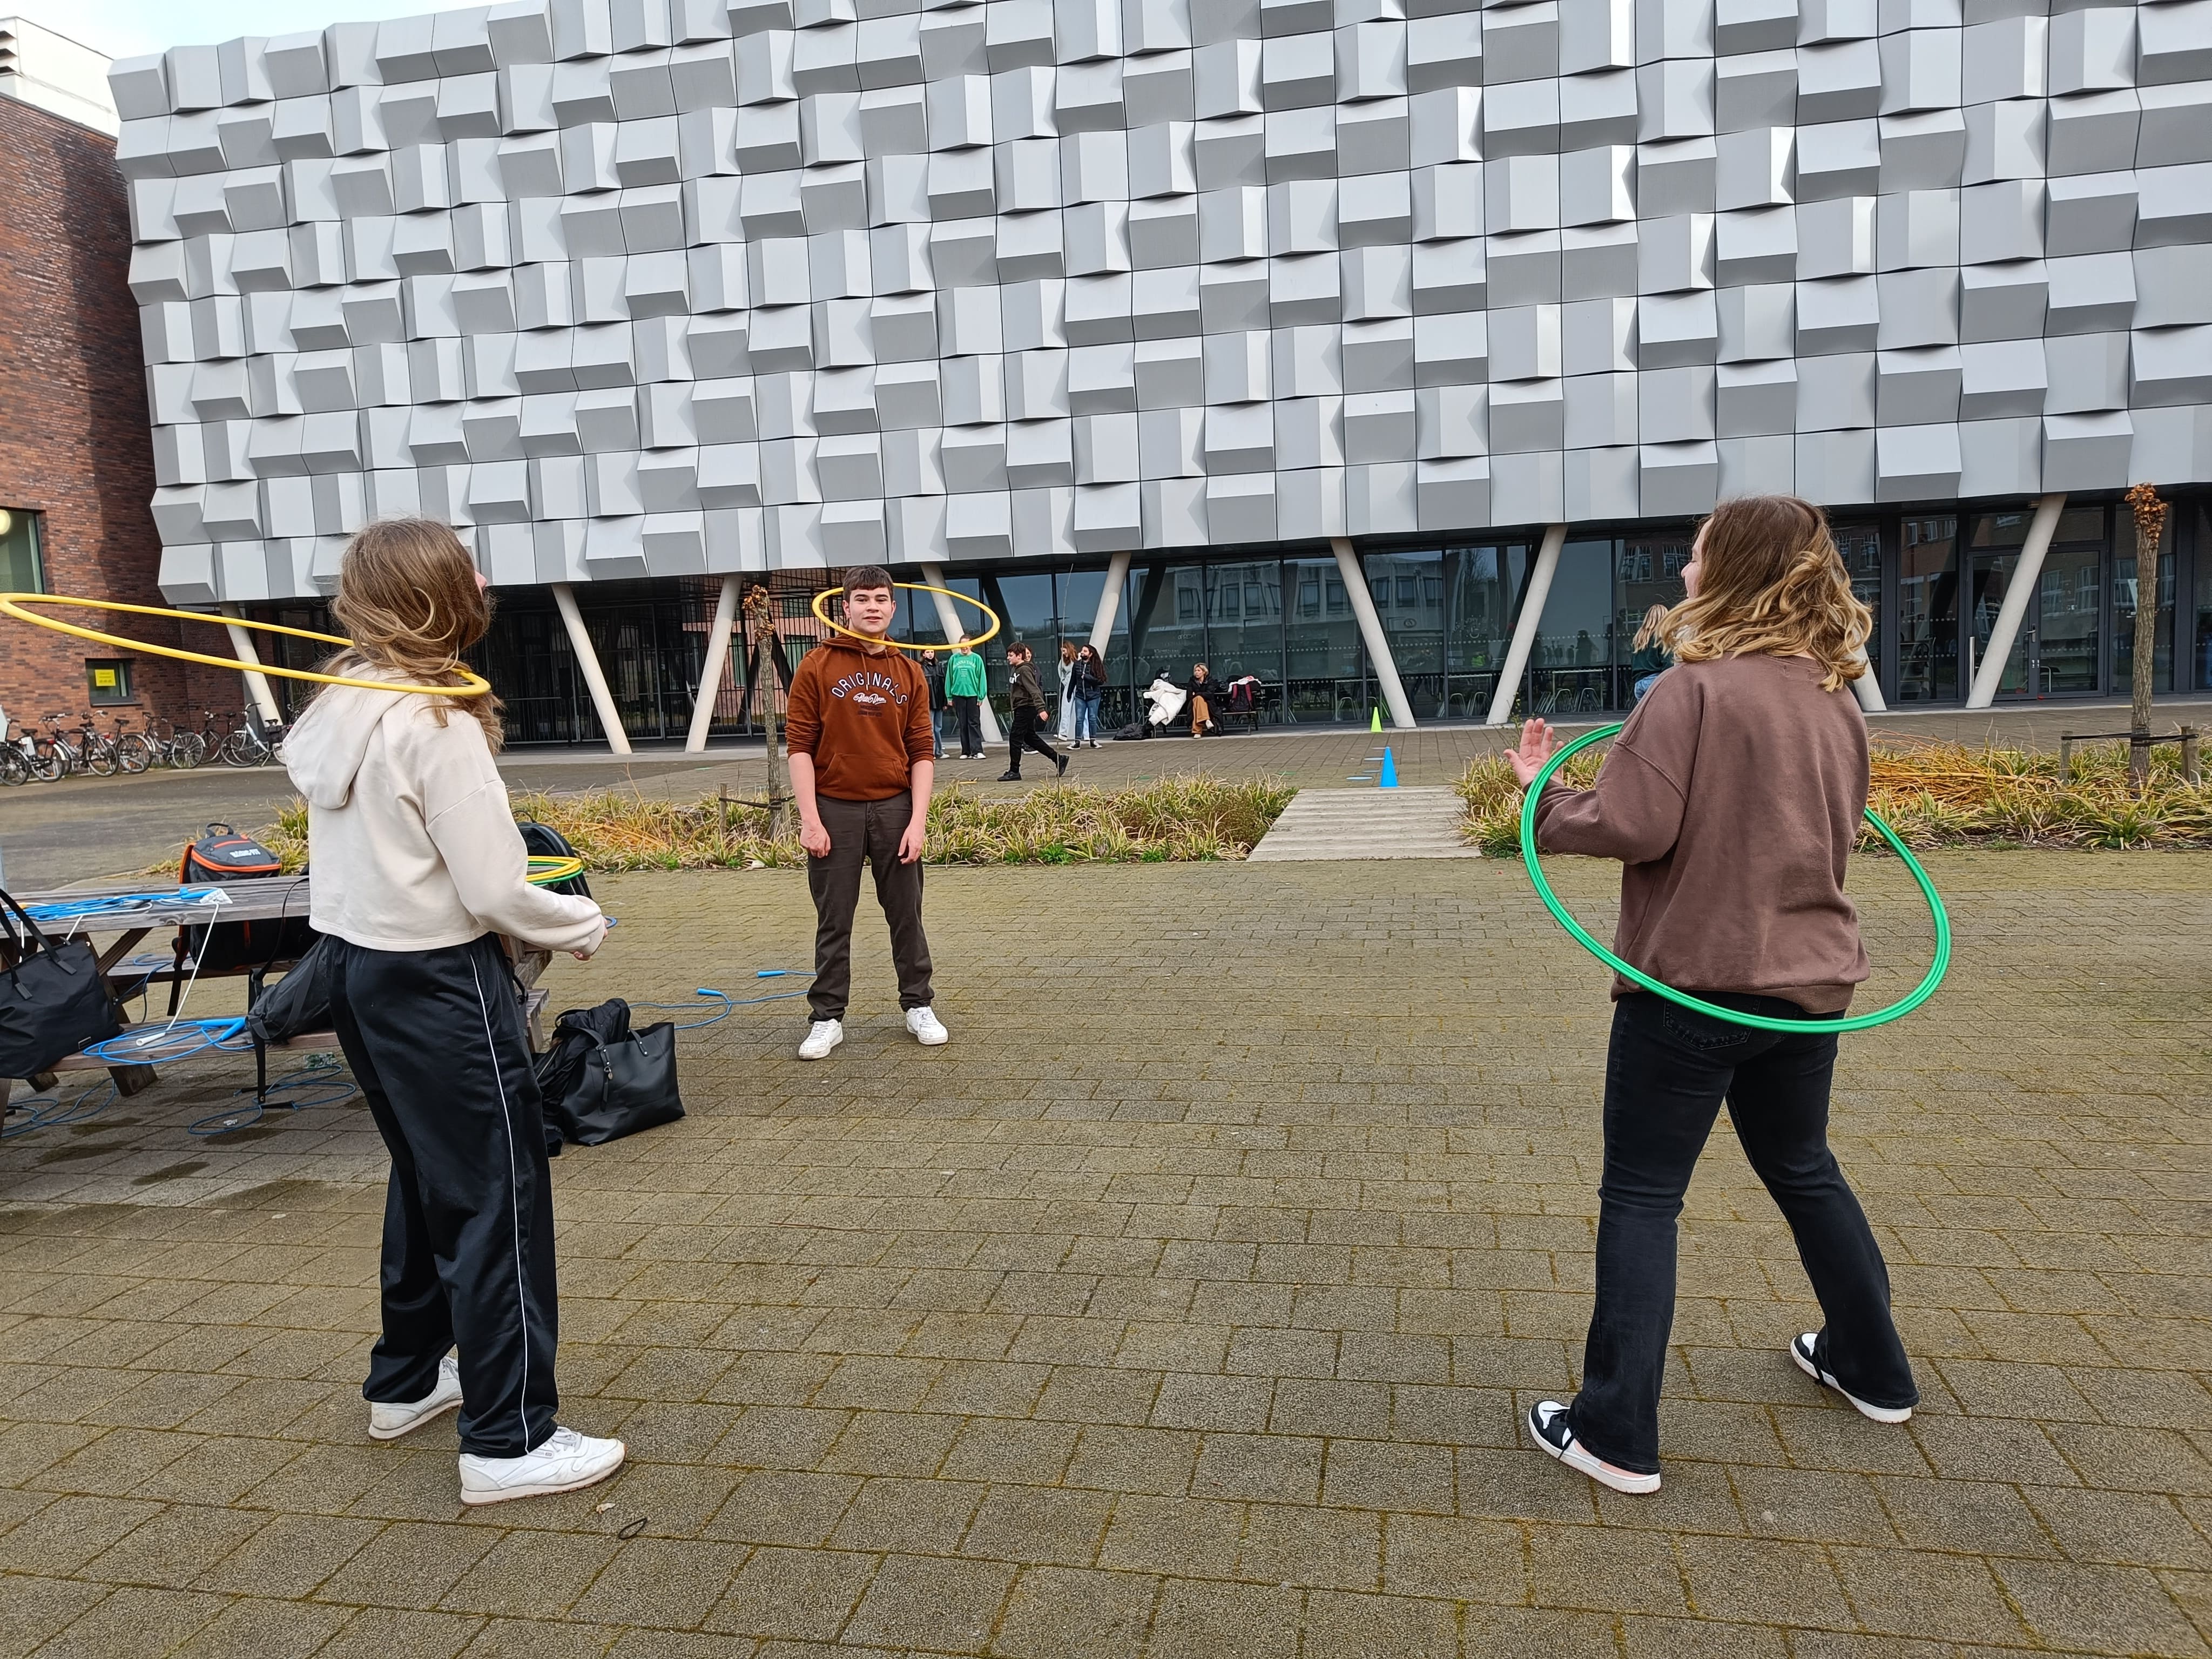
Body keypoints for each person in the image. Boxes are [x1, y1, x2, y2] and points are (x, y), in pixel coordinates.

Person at [1506, 494, 1917, 1497]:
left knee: (1643, 1195)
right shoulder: (1834, 698)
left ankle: (1613, 1431)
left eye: (1693, 557)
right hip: (1810, 989)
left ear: (1731, 568)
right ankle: (1872, 1365)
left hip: (1693, 989)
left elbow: (1635, 823)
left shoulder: (1691, 693)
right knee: (1803, 1166)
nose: (1683, 573)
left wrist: (1541, 796)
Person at [283, 517, 624, 1507]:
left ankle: (405, 1380)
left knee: (429, 1175)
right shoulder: (435, 719)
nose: (484, 575)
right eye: (466, 563)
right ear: (436, 592)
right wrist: (582, 921)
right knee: (499, 1195)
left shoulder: (343, 702)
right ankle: (510, 1439)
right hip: (437, 979)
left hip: (357, 971)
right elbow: (495, 888)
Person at [786, 565, 947, 1060]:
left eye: (881, 598)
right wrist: (810, 819)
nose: (872, 606)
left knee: (907, 914)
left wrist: (918, 821)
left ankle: (918, 1005)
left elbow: (922, 750)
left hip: (896, 807)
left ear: (893, 608)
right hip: (835, 808)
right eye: (862, 598)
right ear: (846, 608)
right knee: (834, 918)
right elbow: (798, 749)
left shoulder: (909, 670)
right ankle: (827, 1017)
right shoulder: (816, 665)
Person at [999, 642, 1069, 781]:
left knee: (1015, 738)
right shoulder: (1016, 669)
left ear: (1019, 656)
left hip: (1026, 708)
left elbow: (1034, 690)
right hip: (1021, 707)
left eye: (1011, 655)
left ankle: (1015, 771)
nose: (1008, 658)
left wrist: (1041, 709)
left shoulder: (1024, 670)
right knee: (1030, 738)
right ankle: (1059, 759)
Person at [945, 634, 987, 759]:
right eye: (962, 645)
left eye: (967, 644)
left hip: (973, 695)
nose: (964, 647)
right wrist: (949, 696)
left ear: (971, 645)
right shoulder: (954, 659)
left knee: (974, 723)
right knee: (963, 723)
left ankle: (977, 751)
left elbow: (982, 678)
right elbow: (949, 678)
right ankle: (966, 751)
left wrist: (981, 696)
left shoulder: (977, 659)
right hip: (958, 695)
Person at [1628, 604, 1674, 703]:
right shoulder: (1662, 637)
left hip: (1639, 684)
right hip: (1655, 682)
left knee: (1647, 716)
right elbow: (1668, 663)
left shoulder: (1639, 638)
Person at [1068, 644, 1105, 747]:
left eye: (1085, 651)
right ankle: (1077, 742)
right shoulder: (1077, 665)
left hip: (1093, 696)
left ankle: (1093, 740)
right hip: (1080, 696)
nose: (1082, 653)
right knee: (1079, 718)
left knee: (1092, 718)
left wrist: (1087, 677)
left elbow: (1101, 681)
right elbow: (1073, 680)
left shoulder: (1096, 665)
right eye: (1082, 651)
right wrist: (1069, 693)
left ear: (1090, 654)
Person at [1054, 640, 1080, 745]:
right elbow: (1060, 670)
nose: (1063, 653)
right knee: (1065, 708)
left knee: (1080, 711)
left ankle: (1086, 735)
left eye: (1064, 651)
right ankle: (1063, 733)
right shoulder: (1063, 660)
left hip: (1078, 686)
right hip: (1069, 686)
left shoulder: (1078, 658)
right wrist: (1064, 681)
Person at [1186, 662, 1219, 736]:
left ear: (1204, 672)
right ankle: (1206, 720)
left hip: (1208, 703)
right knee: (1198, 700)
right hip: (1194, 703)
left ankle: (1197, 732)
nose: (1196, 673)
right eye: (1195, 671)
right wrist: (1201, 695)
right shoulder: (1192, 681)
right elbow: (1189, 696)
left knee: (1198, 700)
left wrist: (1197, 694)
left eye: (1199, 671)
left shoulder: (1210, 681)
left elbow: (1210, 695)